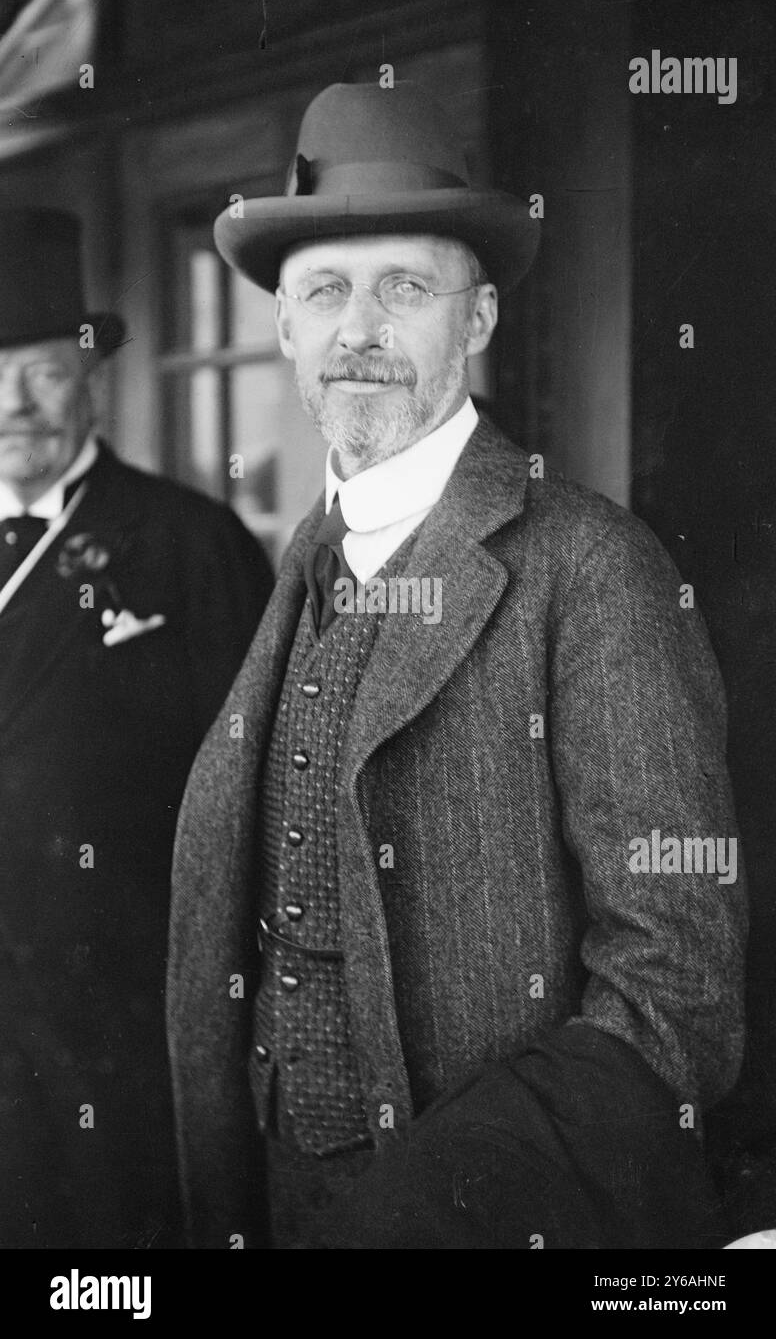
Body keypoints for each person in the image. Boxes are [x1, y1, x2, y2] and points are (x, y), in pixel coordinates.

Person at [167, 83, 747, 1250]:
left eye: (404, 288)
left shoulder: (591, 568)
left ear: (475, 320)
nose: (358, 331)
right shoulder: (303, 562)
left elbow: (673, 999)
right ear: (283, 329)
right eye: (323, 291)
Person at [0, 208, 273, 1248]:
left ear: (91, 375)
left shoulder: (190, 544)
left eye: (41, 369)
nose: (14, 401)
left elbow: (255, 794)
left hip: (121, 1017)